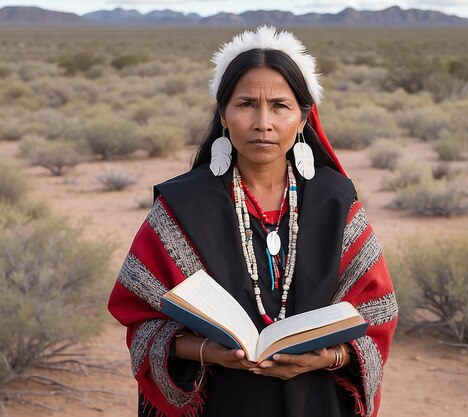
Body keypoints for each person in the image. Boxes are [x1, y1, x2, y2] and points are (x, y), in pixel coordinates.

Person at [108, 26, 397, 417]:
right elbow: (141, 318)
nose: (264, 122)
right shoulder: (180, 206)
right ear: (224, 115)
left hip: (316, 400)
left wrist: (327, 357)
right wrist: (211, 352)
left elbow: (377, 313)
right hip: (220, 401)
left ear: (303, 118)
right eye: (246, 104)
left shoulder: (336, 201)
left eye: (280, 106)